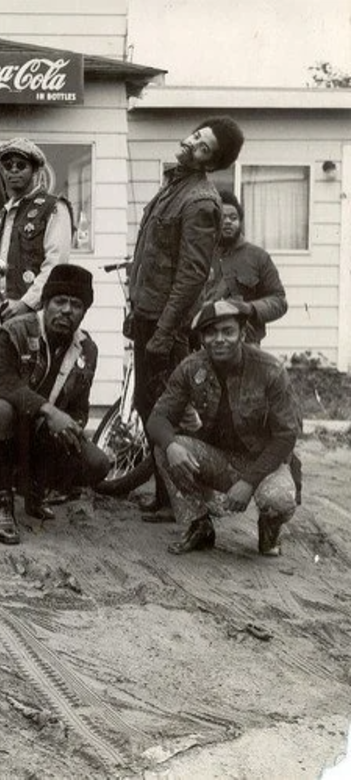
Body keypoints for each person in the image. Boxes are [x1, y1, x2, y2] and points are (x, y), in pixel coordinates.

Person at [127, 116, 245, 514]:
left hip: (167, 324)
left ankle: (185, 503)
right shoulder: (173, 186)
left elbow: (192, 274)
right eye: (197, 136)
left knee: (165, 409)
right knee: (149, 405)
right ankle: (166, 496)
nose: (192, 143)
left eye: (203, 147)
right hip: (148, 315)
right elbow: (153, 255)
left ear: (210, 162)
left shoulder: (200, 201)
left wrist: (164, 331)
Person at [147, 300, 300, 556]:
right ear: (203, 338)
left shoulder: (270, 370)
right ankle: (199, 525)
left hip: (264, 463)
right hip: (220, 460)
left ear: (242, 333)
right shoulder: (191, 368)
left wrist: (249, 482)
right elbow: (157, 419)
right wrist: (172, 444)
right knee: (165, 449)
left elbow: (286, 436)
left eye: (227, 331)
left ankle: (269, 529)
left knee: (279, 501)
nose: (219, 340)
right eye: (211, 332)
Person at [0, 265, 111, 545]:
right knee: (1, 410)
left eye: (76, 305)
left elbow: (80, 407)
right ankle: (1, 503)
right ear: (45, 303)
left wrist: (72, 426)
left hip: (39, 435)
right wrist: (48, 411)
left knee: (97, 463)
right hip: (2, 427)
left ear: (84, 312)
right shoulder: (15, 330)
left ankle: (37, 488)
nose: (67, 311)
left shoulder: (87, 349)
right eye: (59, 301)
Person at [0, 138, 73, 321]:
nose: (13, 170)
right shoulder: (3, 214)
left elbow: (55, 265)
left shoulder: (53, 208)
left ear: (35, 171)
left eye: (21, 165)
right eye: (8, 166)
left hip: (33, 315)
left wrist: (26, 303)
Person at [201, 189, 287, 346]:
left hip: (247, 344)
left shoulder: (258, 256)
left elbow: (279, 301)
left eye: (233, 218)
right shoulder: (201, 256)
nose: (228, 222)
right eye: (222, 217)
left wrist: (250, 308)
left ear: (240, 222)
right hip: (208, 341)